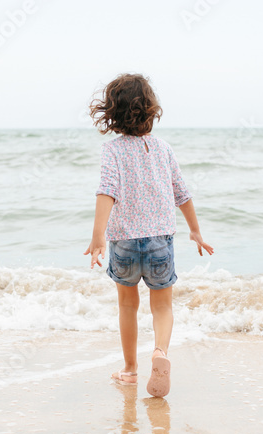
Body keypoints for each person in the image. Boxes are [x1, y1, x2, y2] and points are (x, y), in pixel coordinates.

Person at [84, 73, 214, 398]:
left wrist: (98, 236)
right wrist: (195, 231)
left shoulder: (112, 151)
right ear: (151, 111)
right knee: (162, 306)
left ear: (112, 113)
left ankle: (129, 370)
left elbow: (107, 191)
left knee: (127, 306)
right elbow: (181, 193)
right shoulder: (163, 149)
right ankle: (160, 352)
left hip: (124, 243)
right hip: (160, 242)